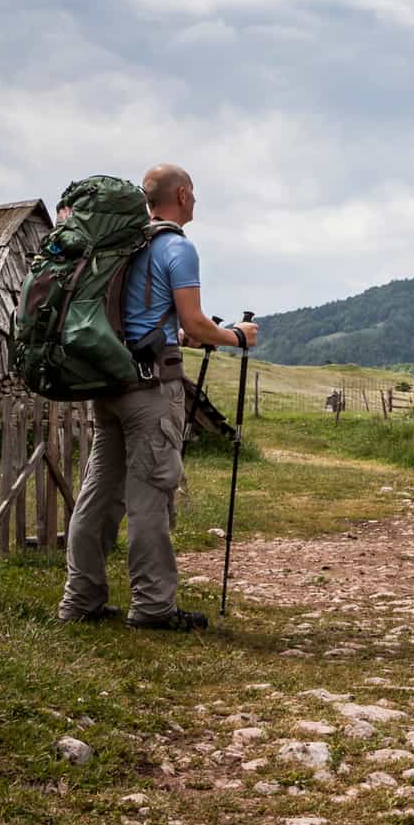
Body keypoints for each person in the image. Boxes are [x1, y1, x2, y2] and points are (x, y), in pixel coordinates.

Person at [57, 163, 257, 630]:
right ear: (183, 194)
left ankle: (80, 599)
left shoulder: (123, 245)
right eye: (195, 193)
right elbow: (195, 322)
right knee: (151, 497)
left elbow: (144, 318)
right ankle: (151, 607)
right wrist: (238, 336)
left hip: (109, 382)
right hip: (150, 390)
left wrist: (179, 335)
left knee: (98, 494)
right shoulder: (176, 247)